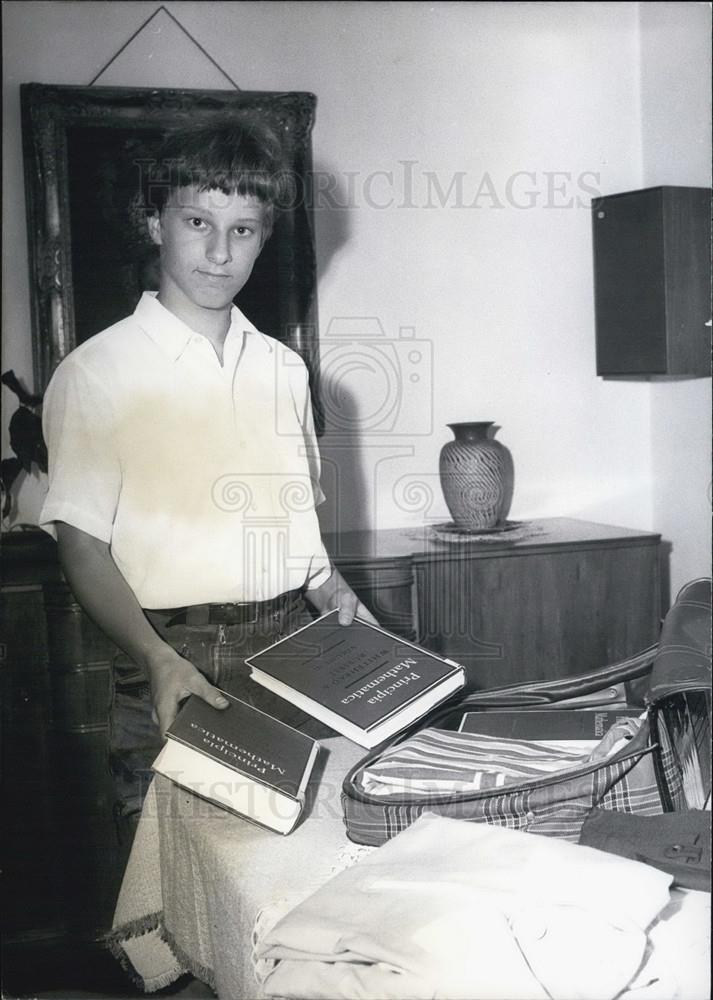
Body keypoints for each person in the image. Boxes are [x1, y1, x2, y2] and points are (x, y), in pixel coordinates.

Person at [39, 117, 376, 837]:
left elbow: (295, 532)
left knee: (291, 878)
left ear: (265, 237)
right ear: (153, 222)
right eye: (198, 221)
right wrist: (156, 660)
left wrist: (334, 591)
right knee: (178, 891)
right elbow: (82, 548)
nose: (219, 252)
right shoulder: (98, 372)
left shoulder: (284, 371)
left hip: (293, 650)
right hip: (175, 660)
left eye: (244, 230)